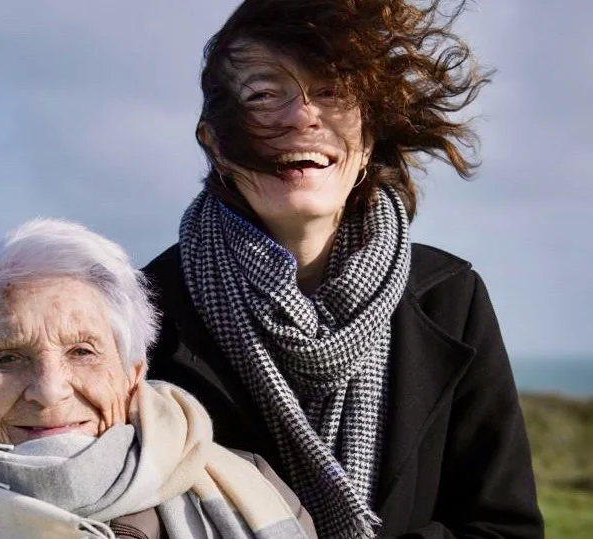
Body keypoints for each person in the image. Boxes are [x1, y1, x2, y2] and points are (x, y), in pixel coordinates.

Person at [143, 1, 543, 538]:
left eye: (332, 92)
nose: (302, 116)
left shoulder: (451, 299)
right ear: (213, 140)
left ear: (370, 135)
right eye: (262, 95)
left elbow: (501, 527)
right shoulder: (143, 310)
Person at [0, 218, 315, 539]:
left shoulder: (254, 494)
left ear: (132, 376)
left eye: (82, 352)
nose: (49, 391)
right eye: (9, 358)